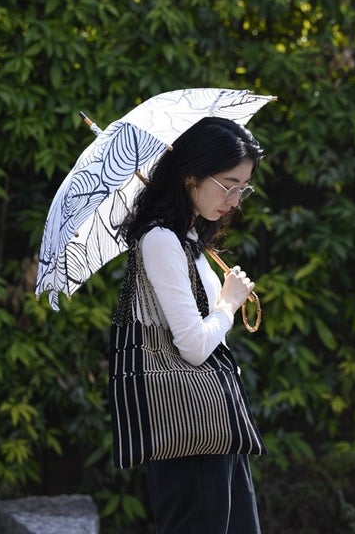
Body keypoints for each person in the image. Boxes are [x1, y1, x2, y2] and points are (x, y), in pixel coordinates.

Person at [109, 116, 266, 533]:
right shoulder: (161, 240)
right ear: (190, 175)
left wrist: (223, 301)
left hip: (215, 424)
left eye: (243, 188)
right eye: (228, 185)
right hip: (190, 430)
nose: (235, 199)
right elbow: (194, 347)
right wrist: (228, 304)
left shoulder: (186, 237)